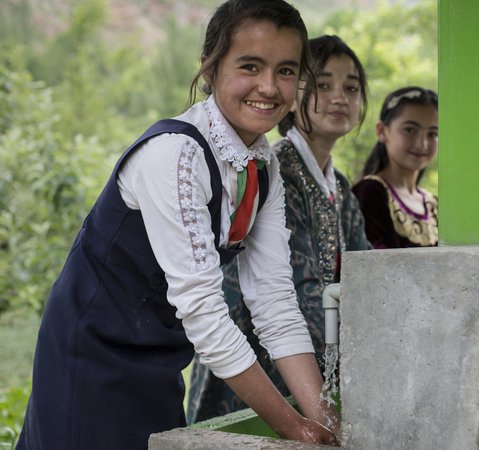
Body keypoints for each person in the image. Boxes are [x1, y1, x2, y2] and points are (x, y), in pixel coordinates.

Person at [16, 1, 340, 449]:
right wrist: (294, 428)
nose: (268, 87)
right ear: (209, 67)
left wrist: (324, 419)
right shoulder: (174, 154)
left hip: (161, 355)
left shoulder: (263, 168)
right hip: (90, 350)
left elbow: (275, 302)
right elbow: (205, 312)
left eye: (286, 71)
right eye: (250, 66)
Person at [187, 35, 370, 424]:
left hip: (318, 357)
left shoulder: (340, 186)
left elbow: (368, 278)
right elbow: (300, 294)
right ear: (296, 90)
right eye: (323, 85)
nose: (340, 97)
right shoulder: (277, 169)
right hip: (256, 359)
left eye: (351, 88)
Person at [352, 86, 439, 248]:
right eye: (410, 130)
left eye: (433, 134)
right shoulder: (370, 193)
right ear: (382, 131)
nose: (422, 143)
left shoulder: (433, 204)